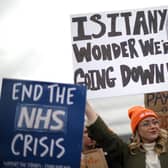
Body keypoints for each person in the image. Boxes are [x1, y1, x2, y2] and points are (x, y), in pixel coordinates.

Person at [85, 102, 168, 168]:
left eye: (155, 122)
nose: (153, 126)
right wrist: (86, 106)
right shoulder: (128, 152)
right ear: (137, 131)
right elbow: (105, 135)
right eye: (146, 124)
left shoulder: (166, 146)